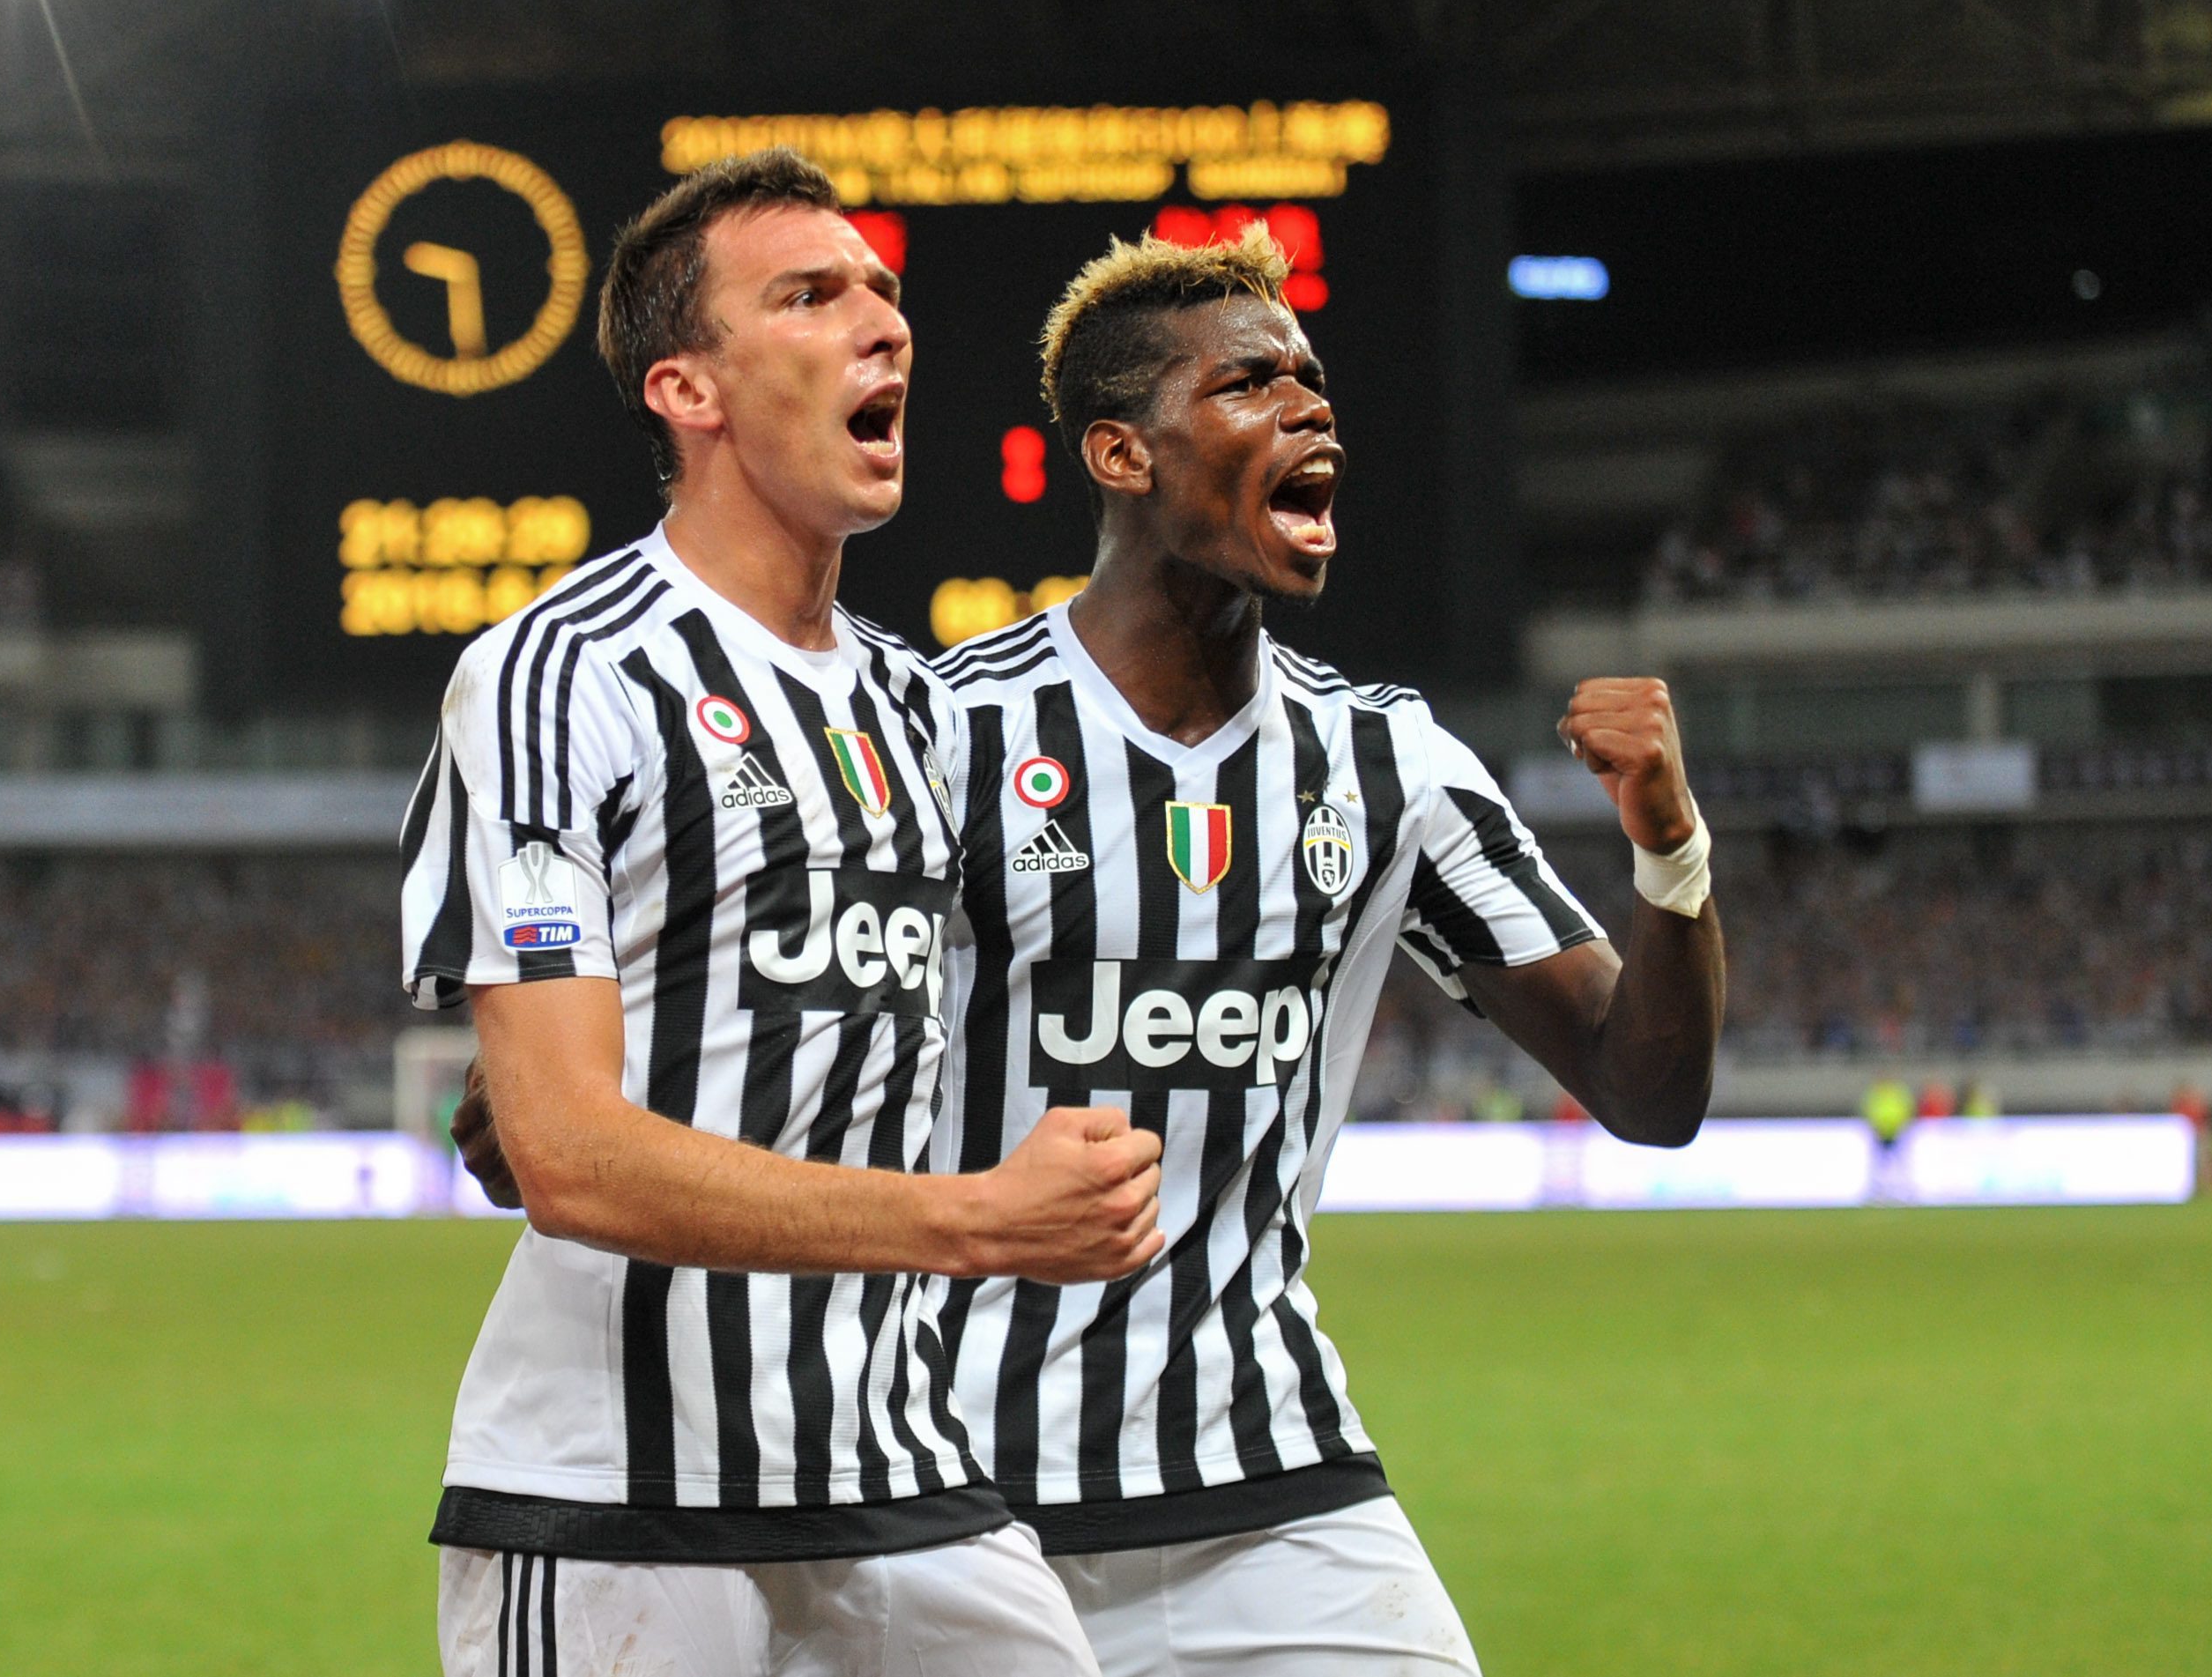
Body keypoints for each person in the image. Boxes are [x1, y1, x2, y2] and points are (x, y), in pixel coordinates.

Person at [459, 226, 1726, 1673]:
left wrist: (1671, 848)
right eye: (1251, 384)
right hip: (943, 1489)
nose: (1309, 411)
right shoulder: (938, 732)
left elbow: (1648, 1087)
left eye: (1313, 384)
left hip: (1274, 1481)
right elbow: (735, 992)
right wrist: (570, 1075)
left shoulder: (1392, 766)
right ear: (1123, 455)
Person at [401, 148, 1160, 1677]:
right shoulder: (559, 673)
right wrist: (974, 1220)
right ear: (687, 390)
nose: (884, 322)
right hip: (616, 1496)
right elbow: (565, 1152)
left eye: (882, 289)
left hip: (896, 1473)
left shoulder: (914, 705)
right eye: (812, 296)